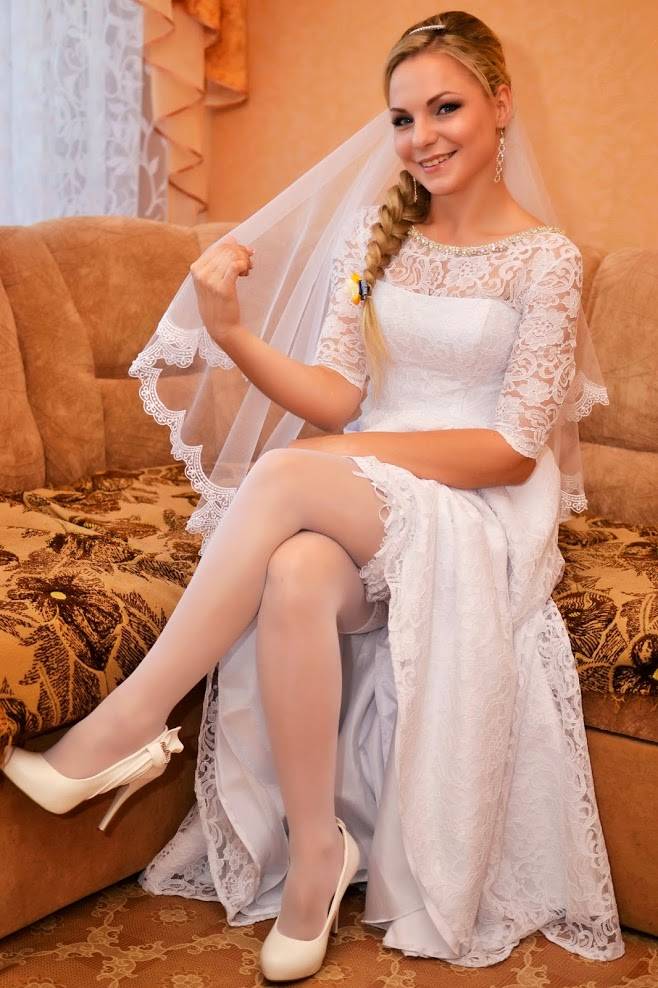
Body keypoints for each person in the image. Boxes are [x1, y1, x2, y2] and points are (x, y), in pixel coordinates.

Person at [1, 9, 626, 978]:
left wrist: (348, 455)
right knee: (294, 572)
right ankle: (315, 859)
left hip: (480, 504)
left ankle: (121, 728)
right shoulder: (378, 243)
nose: (422, 136)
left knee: (293, 470)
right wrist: (230, 332)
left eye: (447, 107)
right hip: (370, 491)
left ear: (500, 104)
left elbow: (510, 451)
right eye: (403, 118)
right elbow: (336, 393)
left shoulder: (544, 259)